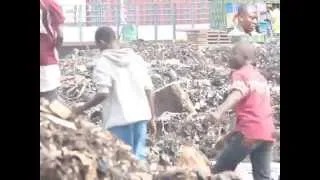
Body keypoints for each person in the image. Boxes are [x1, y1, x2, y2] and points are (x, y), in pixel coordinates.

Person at [71, 27, 157, 161]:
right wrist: (152, 117)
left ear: (100, 42)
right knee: (139, 160)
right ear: (116, 38)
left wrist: (82, 108)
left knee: (120, 161)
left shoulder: (102, 63)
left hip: (118, 120)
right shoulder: (136, 59)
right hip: (141, 116)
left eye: (97, 45)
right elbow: (149, 89)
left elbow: (103, 93)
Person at [209, 42, 275, 180]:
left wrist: (218, 111)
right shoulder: (260, 77)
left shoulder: (240, 74)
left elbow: (237, 93)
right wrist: (228, 136)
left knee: (218, 172)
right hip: (267, 134)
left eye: (234, 53)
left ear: (245, 58)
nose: (230, 57)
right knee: (263, 177)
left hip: (248, 134)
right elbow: (255, 112)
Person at [40, 0, 64, 101]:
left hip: (46, 62)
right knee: (50, 106)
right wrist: (55, 50)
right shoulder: (51, 4)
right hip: (47, 63)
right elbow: (60, 36)